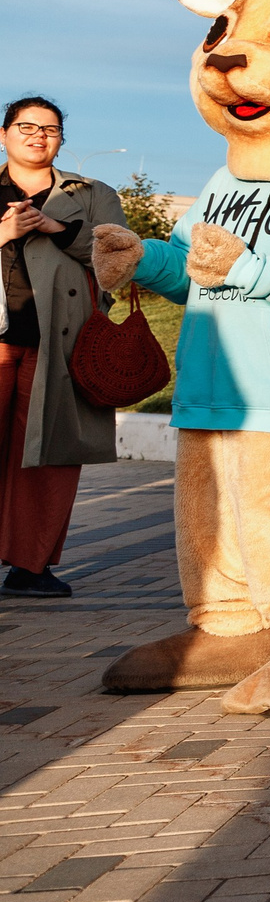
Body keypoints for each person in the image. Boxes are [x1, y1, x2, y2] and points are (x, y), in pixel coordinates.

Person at [0, 98, 126, 599]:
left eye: (50, 129)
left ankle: (29, 565)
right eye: (26, 126)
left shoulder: (92, 194)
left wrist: (61, 229)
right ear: (4, 134)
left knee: (47, 455)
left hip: (61, 342)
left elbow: (119, 259)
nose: (39, 136)